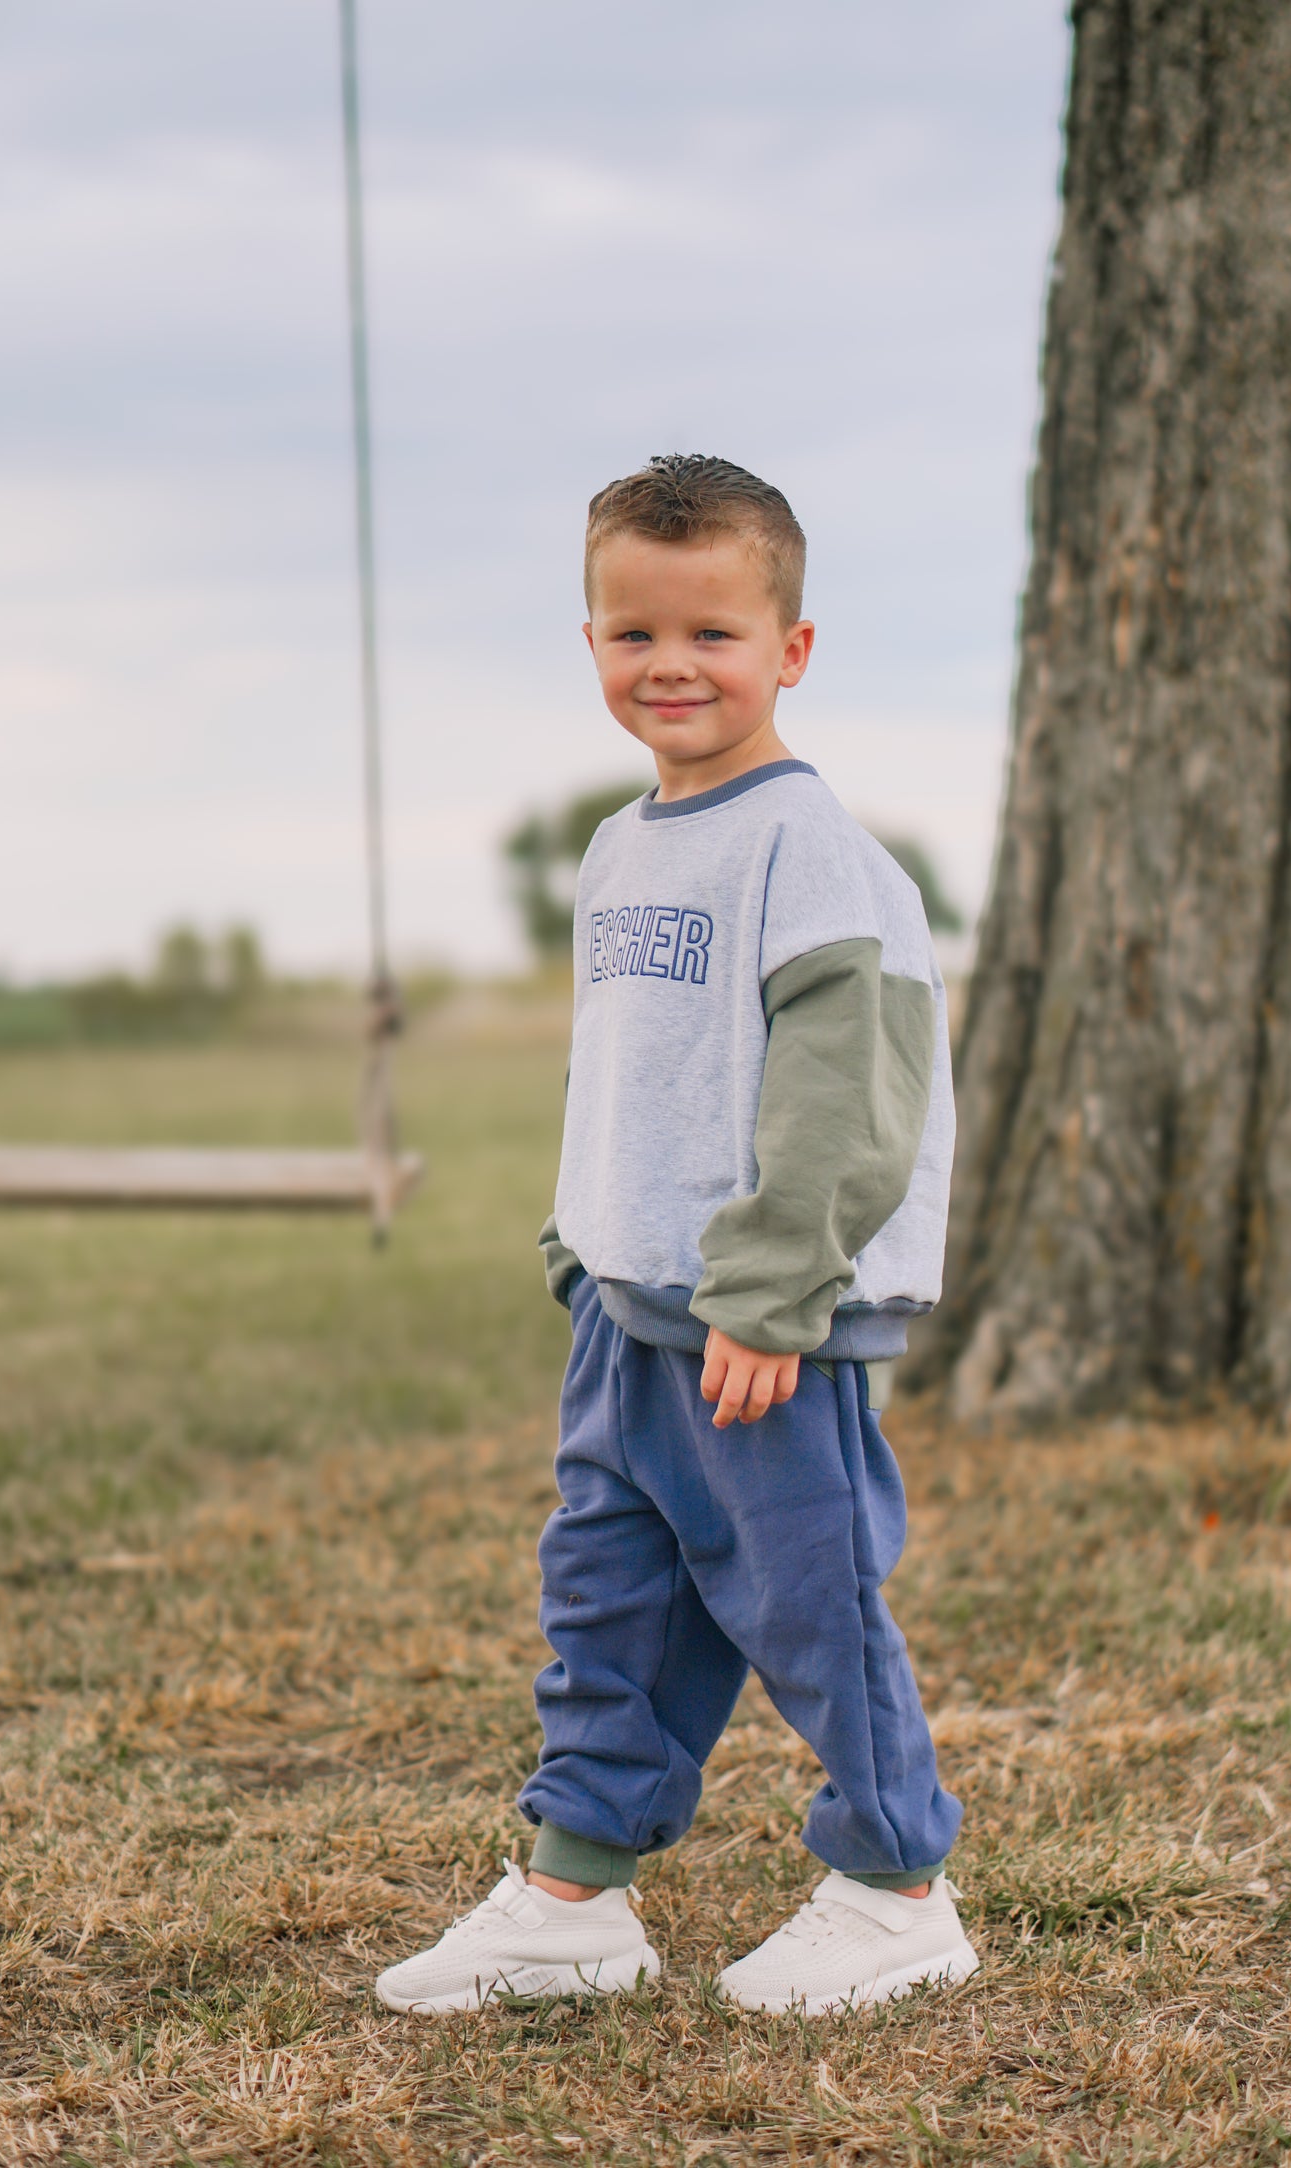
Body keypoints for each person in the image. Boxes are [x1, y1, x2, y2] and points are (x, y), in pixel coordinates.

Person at [376, 454, 977, 2017]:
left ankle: (896, 1886)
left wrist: (772, 1296)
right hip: (632, 1312)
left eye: (712, 633)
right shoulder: (623, 845)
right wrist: (587, 1244)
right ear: (591, 644)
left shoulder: (810, 853)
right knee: (607, 1601)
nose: (670, 666)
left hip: (762, 1326)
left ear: (790, 649)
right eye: (633, 633)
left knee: (807, 1603)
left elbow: (849, 1103)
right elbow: (642, 1071)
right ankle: (573, 1894)